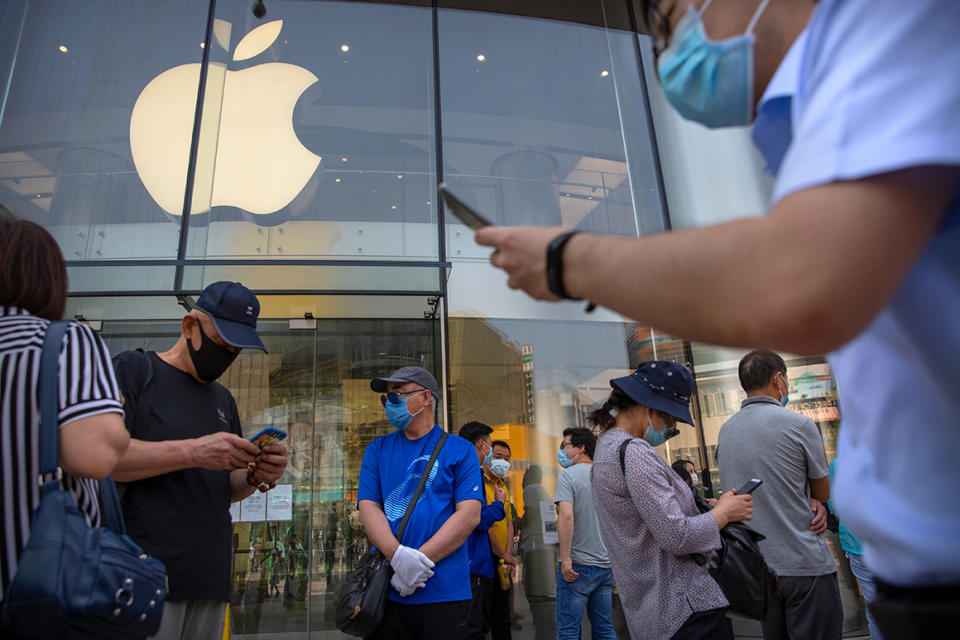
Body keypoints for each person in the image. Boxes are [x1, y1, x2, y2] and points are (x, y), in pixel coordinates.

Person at [474, 2, 960, 633]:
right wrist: (723, 513)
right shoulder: (812, 110)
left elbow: (807, 278)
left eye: (668, 19)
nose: (669, 55)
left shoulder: (894, 23)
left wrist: (571, 260)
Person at [111, 281, 288, 640]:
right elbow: (102, 461)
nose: (228, 355)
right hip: (143, 575)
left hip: (209, 578)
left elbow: (224, 487)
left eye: (237, 349)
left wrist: (254, 475)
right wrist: (193, 451)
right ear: (190, 326)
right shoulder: (135, 371)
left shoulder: (223, 400)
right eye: (222, 344)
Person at [0, 218, 130, 612]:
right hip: (39, 592)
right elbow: (95, 455)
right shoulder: (62, 342)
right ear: (52, 280)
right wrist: (113, 412)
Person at [589, 361, 754, 639]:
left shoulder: (605, 449)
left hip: (652, 611)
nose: (669, 429)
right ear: (650, 409)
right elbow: (676, 536)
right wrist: (725, 512)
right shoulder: (635, 452)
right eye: (671, 420)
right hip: (683, 608)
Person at [717, 350, 839, 639]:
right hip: (803, 563)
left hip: (760, 571)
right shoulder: (799, 424)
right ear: (779, 379)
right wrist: (811, 498)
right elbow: (822, 492)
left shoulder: (726, 431)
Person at [358, 366, 482, 640]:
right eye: (385, 399)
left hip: (446, 593)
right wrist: (398, 556)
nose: (388, 405)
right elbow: (368, 506)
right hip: (385, 592)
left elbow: (469, 515)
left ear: (426, 398)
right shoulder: (376, 450)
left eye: (396, 396)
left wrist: (420, 561)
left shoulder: (461, 450)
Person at [554, 428, 616, 640]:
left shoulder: (567, 476)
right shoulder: (607, 476)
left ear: (581, 448)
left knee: (569, 631)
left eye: (565, 446)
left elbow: (566, 517)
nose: (562, 451)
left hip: (577, 566)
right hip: (605, 565)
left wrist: (565, 558)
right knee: (605, 628)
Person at [457, 421, 507, 640]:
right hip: (475, 565)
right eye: (490, 447)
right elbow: (476, 519)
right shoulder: (470, 474)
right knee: (474, 627)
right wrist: (498, 505)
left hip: (471, 564)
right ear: (481, 445)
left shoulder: (456, 469)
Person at [827, 457, 881, 640]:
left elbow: (834, 507)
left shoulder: (839, 464)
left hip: (859, 544)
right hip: (898, 546)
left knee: (875, 610)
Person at [518, 464, 556, 640]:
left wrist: (513, 523)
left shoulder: (531, 489)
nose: (523, 478)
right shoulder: (543, 491)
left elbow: (530, 515)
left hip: (535, 544)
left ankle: (542, 628)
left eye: (526, 474)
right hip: (545, 545)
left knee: (533, 589)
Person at [485, 440, 515, 640]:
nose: (503, 462)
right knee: (483, 616)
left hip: (504, 561)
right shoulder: (479, 483)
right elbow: (485, 524)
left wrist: (508, 554)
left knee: (503, 616)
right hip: (487, 558)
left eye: (507, 459)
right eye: (498, 457)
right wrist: (501, 553)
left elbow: (509, 523)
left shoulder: (503, 486)